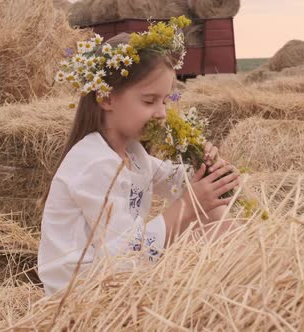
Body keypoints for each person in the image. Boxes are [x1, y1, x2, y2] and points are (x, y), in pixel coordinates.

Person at [38, 18, 241, 297]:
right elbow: (120, 258)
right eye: (149, 101)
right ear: (106, 98)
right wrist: (188, 204)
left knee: (214, 218)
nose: (161, 112)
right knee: (204, 220)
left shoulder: (132, 153)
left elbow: (177, 182)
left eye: (166, 100)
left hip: (117, 281)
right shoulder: (93, 164)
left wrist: (207, 171)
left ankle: (245, 277)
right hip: (82, 298)